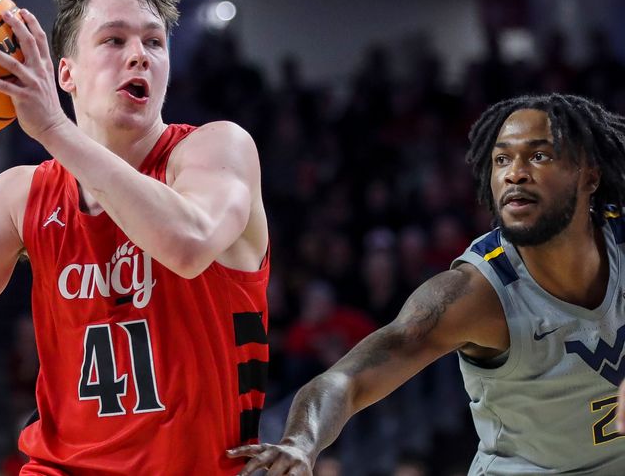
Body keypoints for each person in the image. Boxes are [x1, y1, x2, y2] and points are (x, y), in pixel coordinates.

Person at [0, 0, 269, 474]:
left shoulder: (216, 150)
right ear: (65, 73)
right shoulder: (21, 194)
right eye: (114, 41)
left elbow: (188, 245)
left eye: (155, 42)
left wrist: (54, 131)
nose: (140, 57)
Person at [228, 93, 625, 475]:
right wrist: (301, 441)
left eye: (539, 156)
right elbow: (346, 379)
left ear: (589, 174)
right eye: (501, 159)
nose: (514, 173)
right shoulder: (474, 294)